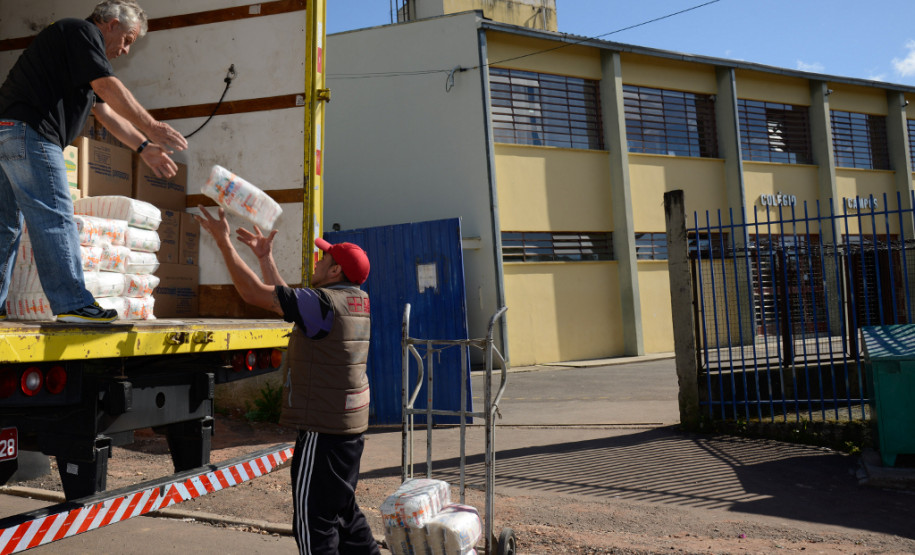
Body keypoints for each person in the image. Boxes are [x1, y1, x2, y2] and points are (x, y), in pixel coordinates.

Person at [195, 205, 380, 555]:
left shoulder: (324, 303)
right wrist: (265, 257)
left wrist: (223, 241)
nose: (317, 261)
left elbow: (255, 295)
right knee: (343, 513)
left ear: (336, 269)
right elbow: (287, 303)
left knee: (313, 526)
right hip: (348, 430)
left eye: (324, 258)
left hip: (323, 433)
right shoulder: (355, 301)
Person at [0, 0, 188, 324]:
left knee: (5, 226)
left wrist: (144, 147)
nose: (126, 50)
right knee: (55, 217)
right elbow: (107, 85)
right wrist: (152, 126)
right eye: (128, 39)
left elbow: (105, 112)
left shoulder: (76, 53)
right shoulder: (82, 31)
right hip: (30, 133)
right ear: (111, 23)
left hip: (7, 132)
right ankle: (73, 303)